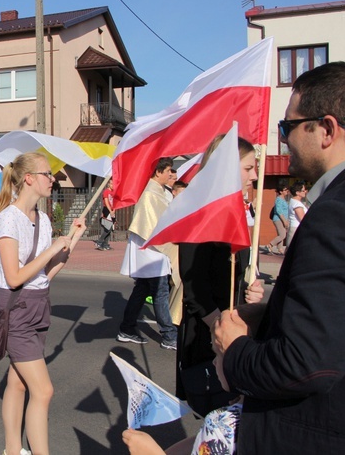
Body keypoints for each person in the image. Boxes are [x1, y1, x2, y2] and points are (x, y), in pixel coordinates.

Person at [214, 61, 345, 453]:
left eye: (288, 127)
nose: (283, 141)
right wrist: (277, 311)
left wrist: (235, 352)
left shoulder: (338, 213)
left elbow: (309, 362)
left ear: (326, 130)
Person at [0, 153, 85, 455]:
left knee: (18, 383)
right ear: (29, 178)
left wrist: (72, 239)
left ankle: (12, 450)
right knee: (43, 390)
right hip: (15, 311)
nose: (53, 179)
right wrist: (51, 250)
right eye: (47, 174)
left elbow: (45, 275)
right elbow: (15, 277)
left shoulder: (42, 219)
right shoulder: (8, 219)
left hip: (38, 306)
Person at [175, 135, 264, 417]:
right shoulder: (200, 213)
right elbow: (194, 288)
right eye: (248, 168)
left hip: (235, 337)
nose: (255, 176)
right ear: (225, 166)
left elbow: (241, 274)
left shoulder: (239, 212)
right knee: (215, 428)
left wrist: (253, 290)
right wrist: (222, 332)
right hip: (208, 342)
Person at [123, 304, 266, 455]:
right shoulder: (274, 410)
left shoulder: (221, 424)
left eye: (219, 354)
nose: (214, 361)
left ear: (241, 358)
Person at [118, 158, 178, 350]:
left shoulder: (158, 191)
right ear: (158, 172)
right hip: (152, 251)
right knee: (160, 292)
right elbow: (152, 226)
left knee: (142, 290)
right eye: (168, 170)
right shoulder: (151, 194)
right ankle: (169, 336)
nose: (171, 174)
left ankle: (126, 328)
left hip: (150, 251)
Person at [264, 181, 289, 255]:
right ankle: (270, 245)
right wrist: (284, 221)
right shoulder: (278, 199)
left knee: (281, 234)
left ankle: (280, 249)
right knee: (282, 235)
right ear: (281, 191)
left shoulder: (283, 199)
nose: (287, 191)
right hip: (278, 219)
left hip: (282, 219)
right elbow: (279, 211)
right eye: (285, 190)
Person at [284, 181, 308, 247]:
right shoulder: (297, 204)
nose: (305, 191)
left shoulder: (293, 201)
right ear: (297, 192)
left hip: (294, 228)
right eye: (303, 190)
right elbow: (303, 219)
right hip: (296, 229)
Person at [95, 180, 115, 251]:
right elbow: (106, 202)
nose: (113, 185)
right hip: (107, 210)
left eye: (114, 184)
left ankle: (105, 244)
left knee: (110, 229)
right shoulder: (106, 191)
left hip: (112, 211)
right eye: (111, 183)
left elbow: (115, 203)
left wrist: (113, 211)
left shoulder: (114, 192)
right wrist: (110, 211)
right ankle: (99, 242)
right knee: (107, 228)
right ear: (108, 184)